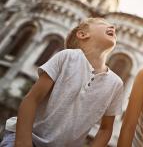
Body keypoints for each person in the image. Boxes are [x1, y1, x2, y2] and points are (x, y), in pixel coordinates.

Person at [0, 18, 123, 147]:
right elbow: (32, 99)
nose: (113, 27)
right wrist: (23, 142)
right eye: (103, 24)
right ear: (82, 34)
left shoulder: (116, 84)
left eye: (113, 26)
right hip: (27, 138)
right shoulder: (66, 57)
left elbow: (106, 129)